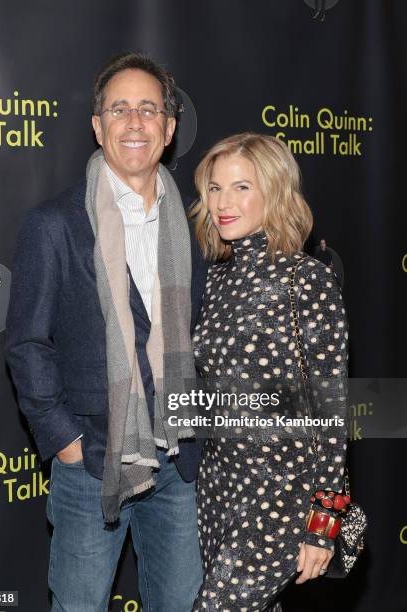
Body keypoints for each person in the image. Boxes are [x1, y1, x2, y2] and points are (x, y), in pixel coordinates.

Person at [5, 53, 207, 612]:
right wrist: (67, 442)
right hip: (92, 463)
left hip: (180, 462)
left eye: (149, 109)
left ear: (169, 129)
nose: (135, 122)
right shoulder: (53, 224)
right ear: (98, 126)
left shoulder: (197, 228)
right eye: (120, 109)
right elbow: (26, 344)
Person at [189, 133, 348, 610]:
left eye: (241, 187)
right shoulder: (215, 277)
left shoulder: (308, 279)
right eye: (214, 189)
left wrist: (323, 524)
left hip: (280, 494)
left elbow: (331, 407)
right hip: (217, 484)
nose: (223, 202)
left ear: (274, 192)